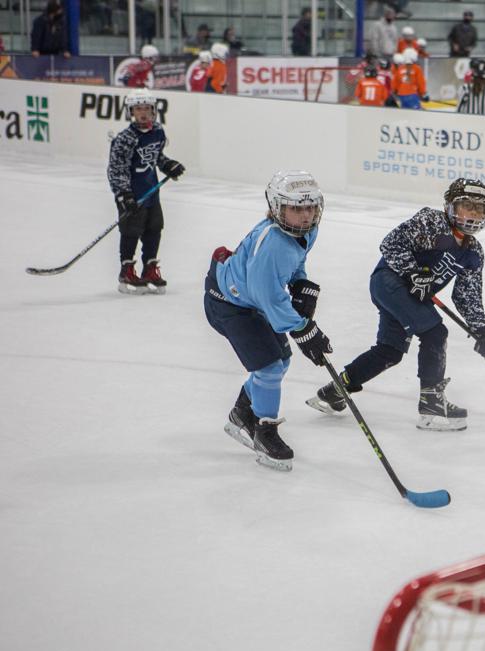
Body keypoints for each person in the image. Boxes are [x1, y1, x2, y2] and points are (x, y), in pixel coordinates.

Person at [306, 179, 485, 432]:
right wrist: (413, 272)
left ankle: (334, 391)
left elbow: (467, 296)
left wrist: (481, 330)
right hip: (389, 282)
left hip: (409, 296)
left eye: (479, 208)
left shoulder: (474, 253)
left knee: (390, 351)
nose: (473, 213)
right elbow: (392, 243)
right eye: (466, 205)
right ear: (450, 206)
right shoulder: (432, 222)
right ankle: (431, 402)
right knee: (435, 332)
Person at [205, 170, 333, 471]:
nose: (305, 215)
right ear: (277, 207)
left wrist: (300, 283)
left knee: (281, 362)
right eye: (296, 208)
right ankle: (265, 430)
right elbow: (269, 298)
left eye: (310, 207)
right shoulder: (272, 243)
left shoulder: (305, 232)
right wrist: (304, 330)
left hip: (249, 299)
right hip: (230, 304)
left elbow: (295, 263)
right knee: (269, 367)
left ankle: (241, 414)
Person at [106, 89, 186, 294]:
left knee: (154, 228)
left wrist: (169, 165)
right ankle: (127, 270)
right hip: (132, 195)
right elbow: (116, 169)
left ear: (153, 110)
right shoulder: (126, 138)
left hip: (151, 193)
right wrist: (124, 195)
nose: (142, 113)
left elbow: (157, 158)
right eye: (137, 109)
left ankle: (150, 268)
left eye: (146, 108)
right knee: (131, 231)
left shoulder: (158, 132)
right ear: (131, 112)